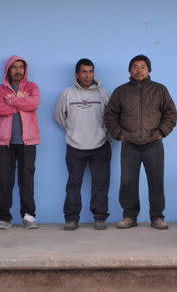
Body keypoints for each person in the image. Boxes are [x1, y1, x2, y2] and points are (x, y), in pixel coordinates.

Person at [105, 54, 177, 230]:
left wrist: (161, 133)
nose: (139, 70)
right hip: (129, 144)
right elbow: (110, 116)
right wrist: (120, 135)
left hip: (154, 143)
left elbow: (171, 114)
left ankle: (157, 217)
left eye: (142, 67)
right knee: (128, 181)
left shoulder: (160, 90)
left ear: (149, 70)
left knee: (156, 181)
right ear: (130, 70)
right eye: (135, 67)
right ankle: (129, 216)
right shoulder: (121, 91)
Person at [55, 58, 111, 231]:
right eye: (84, 72)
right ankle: (71, 218)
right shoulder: (67, 94)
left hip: (100, 146)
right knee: (74, 183)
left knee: (100, 183)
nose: (88, 75)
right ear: (77, 74)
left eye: (91, 71)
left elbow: (111, 118)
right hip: (75, 146)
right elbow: (59, 117)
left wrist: (103, 134)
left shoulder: (103, 93)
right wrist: (74, 132)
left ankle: (100, 217)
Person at [0, 55, 41, 230]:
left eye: (21, 67)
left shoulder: (32, 87)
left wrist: (12, 101)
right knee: (4, 179)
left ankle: (29, 216)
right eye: (14, 67)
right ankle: (4, 217)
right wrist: (21, 103)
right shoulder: (0, 90)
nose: (18, 70)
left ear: (25, 70)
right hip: (5, 143)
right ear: (8, 70)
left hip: (28, 142)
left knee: (26, 180)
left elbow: (33, 103)